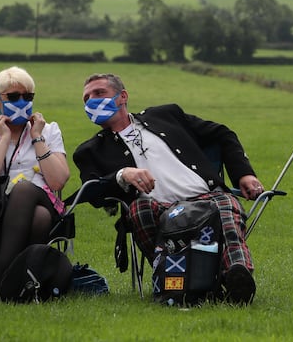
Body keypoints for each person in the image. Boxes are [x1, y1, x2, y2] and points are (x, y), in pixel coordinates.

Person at [73, 73, 265, 305]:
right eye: (86, 98)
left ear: (122, 96)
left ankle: (237, 277)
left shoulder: (165, 115)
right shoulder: (90, 151)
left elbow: (222, 134)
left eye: (99, 93)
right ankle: (172, 279)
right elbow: (92, 193)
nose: (92, 100)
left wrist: (244, 174)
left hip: (207, 197)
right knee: (138, 209)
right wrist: (122, 175)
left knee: (224, 203)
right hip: (159, 209)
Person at [0, 66, 70, 300]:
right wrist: (3, 139)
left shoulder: (49, 131)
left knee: (25, 189)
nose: (22, 102)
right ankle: (17, 286)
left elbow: (58, 180)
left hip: (44, 198)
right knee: (38, 218)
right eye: (13, 97)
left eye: (28, 97)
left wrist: (37, 137)